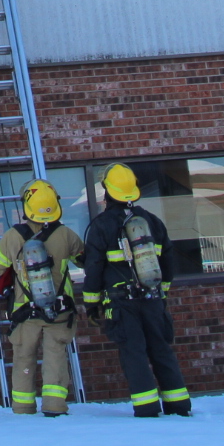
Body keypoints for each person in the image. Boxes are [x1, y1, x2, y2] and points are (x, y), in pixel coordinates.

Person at [82, 163, 190, 417]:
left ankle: (147, 407)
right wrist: (161, 293)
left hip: (121, 303)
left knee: (134, 352)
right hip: (152, 299)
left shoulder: (101, 225)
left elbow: (94, 268)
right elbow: (168, 262)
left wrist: (91, 304)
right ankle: (179, 404)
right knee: (161, 349)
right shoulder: (152, 221)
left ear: (107, 191)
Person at [0, 179, 85, 416]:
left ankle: (23, 407)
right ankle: (54, 406)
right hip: (59, 310)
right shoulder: (66, 234)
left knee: (23, 358)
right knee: (55, 358)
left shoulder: (12, 236)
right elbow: (84, 260)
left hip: (25, 312)